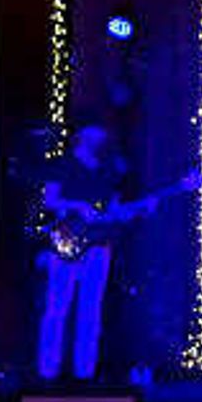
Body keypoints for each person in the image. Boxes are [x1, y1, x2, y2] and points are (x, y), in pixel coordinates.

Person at [36, 121, 132, 384]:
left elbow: (114, 208)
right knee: (57, 307)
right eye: (94, 130)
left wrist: (132, 211)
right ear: (81, 135)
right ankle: (48, 372)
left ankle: (84, 373)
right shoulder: (63, 164)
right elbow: (50, 200)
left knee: (91, 309)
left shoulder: (110, 168)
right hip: (65, 243)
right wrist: (78, 205)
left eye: (102, 131)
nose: (100, 135)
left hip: (99, 243)